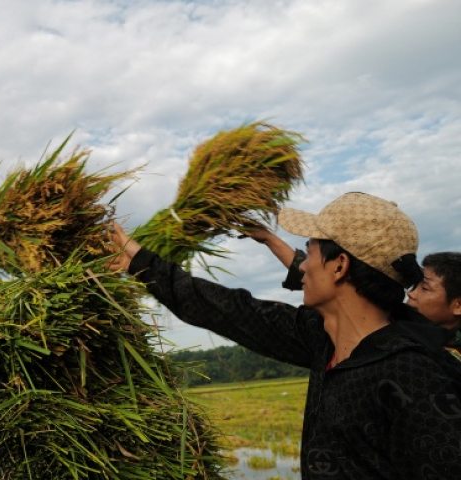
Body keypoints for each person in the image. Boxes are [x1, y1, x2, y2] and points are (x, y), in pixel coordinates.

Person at [109, 192, 461, 478]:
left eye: (308, 251)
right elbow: (228, 309)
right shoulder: (321, 339)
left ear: (339, 266)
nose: (302, 265)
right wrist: (137, 261)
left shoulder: (418, 377)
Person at [248, 228, 461, 357]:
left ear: (458, 305)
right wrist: (269, 239)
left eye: (425, 288)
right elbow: (320, 277)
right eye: (414, 286)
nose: (412, 295)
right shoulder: (396, 323)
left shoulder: (437, 362)